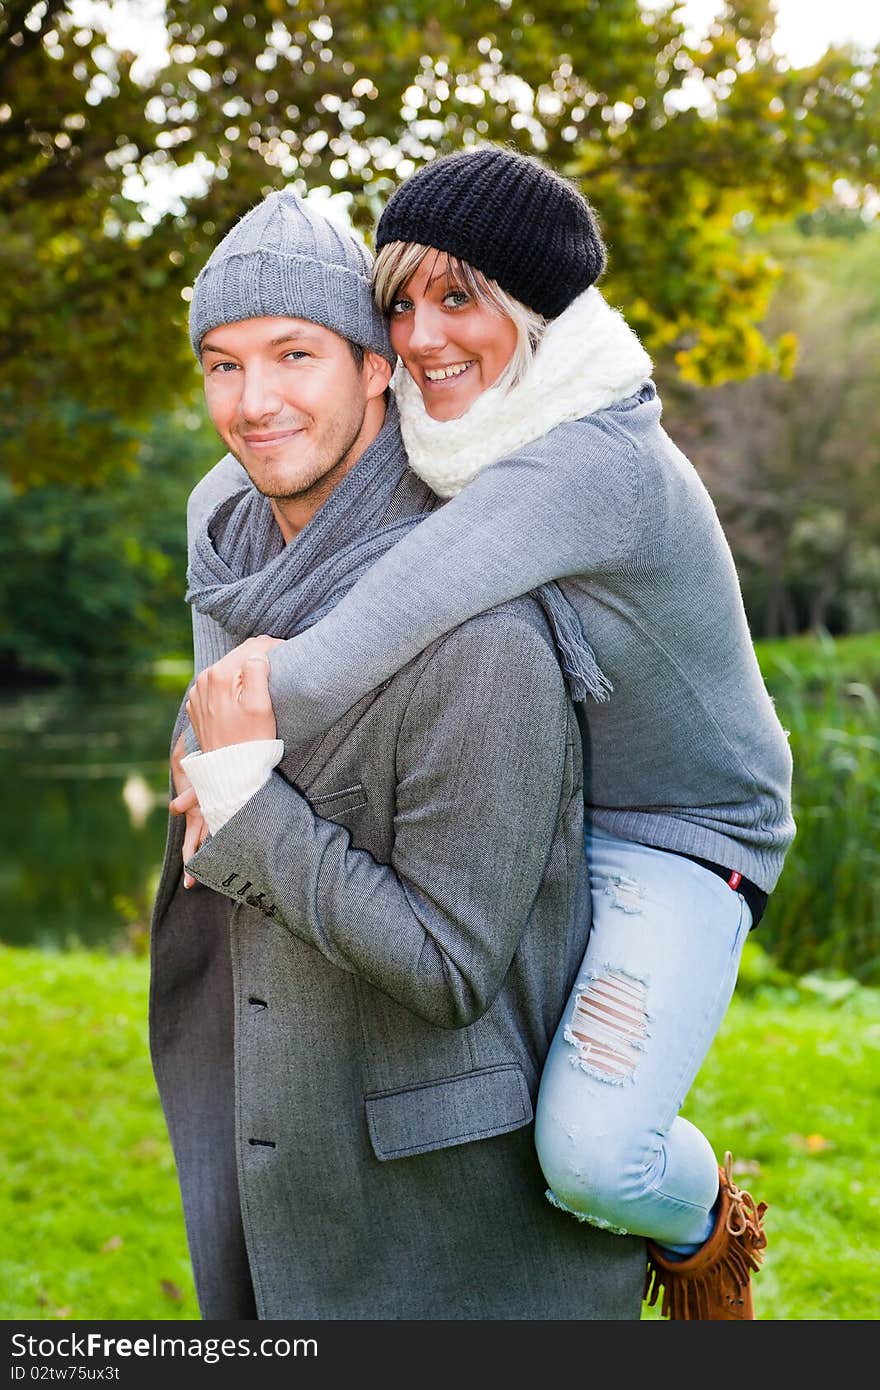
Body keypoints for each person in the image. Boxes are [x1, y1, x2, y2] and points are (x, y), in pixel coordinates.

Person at [188, 147, 795, 1320]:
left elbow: (371, 630)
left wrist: (231, 737)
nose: (418, 337)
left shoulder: (586, 457)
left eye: (458, 297)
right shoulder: (466, 422)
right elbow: (248, 488)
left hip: (685, 829)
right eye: (400, 301)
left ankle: (702, 1215)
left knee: (591, 1151)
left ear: (537, 309)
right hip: (576, 797)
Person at [150, 186, 647, 1320]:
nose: (254, 400)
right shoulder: (234, 571)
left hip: (444, 1243)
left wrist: (242, 803)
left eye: (292, 355)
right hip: (271, 1187)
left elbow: (449, 964)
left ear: (378, 366)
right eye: (223, 364)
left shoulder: (478, 627)